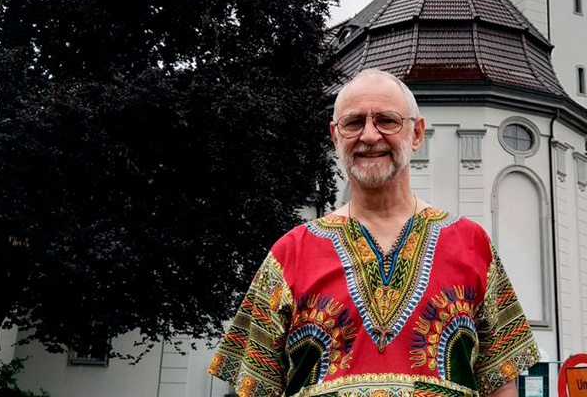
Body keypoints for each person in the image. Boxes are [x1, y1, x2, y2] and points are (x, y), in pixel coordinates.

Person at [208, 69, 539, 397]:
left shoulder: (472, 244)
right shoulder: (289, 253)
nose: (369, 135)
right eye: (353, 123)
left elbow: (499, 384)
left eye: (386, 120)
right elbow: (256, 389)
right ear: (335, 136)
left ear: (416, 133)